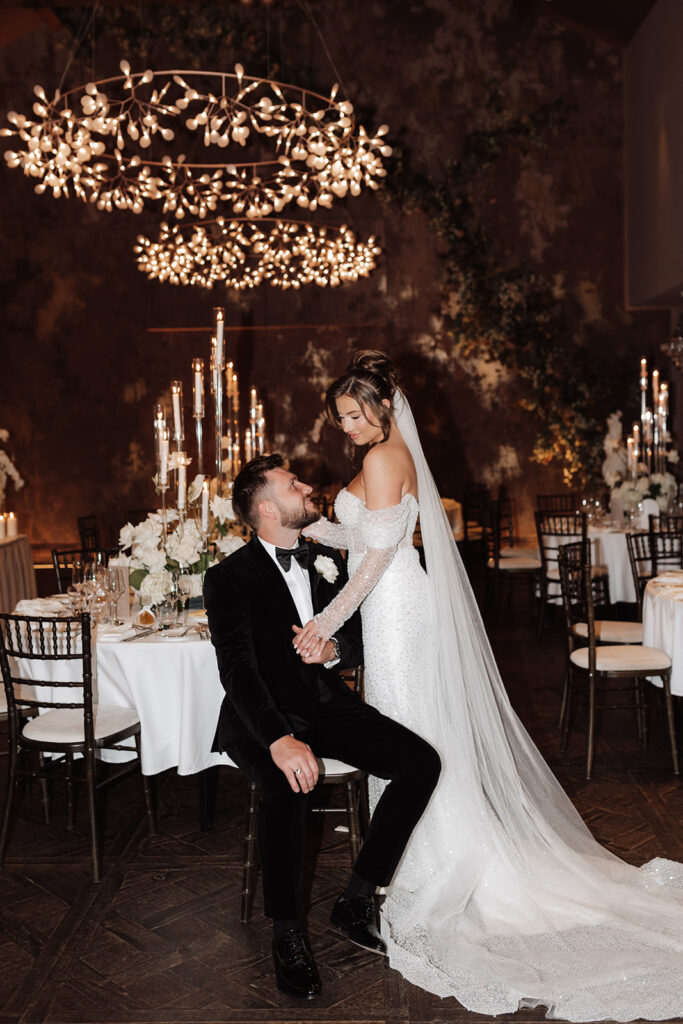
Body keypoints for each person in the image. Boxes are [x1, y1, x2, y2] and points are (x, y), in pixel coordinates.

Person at [296, 351, 683, 1022]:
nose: (349, 428)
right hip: (386, 613)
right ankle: (405, 855)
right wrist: (302, 526)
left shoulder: (386, 459)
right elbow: (358, 536)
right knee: (405, 731)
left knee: (410, 731)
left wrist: (323, 624)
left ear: (386, 410)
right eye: (341, 419)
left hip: (394, 611)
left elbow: (376, 563)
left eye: (357, 416)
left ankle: (434, 863)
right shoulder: (377, 459)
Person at [203, 453, 441, 1001]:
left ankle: (356, 898)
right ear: (265, 508)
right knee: (288, 785)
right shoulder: (228, 578)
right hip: (260, 714)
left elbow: (358, 632)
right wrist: (279, 739)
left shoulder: (328, 559)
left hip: (326, 702)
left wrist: (335, 649)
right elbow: (237, 671)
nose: (307, 487)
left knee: (420, 764)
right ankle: (287, 935)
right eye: (293, 485)